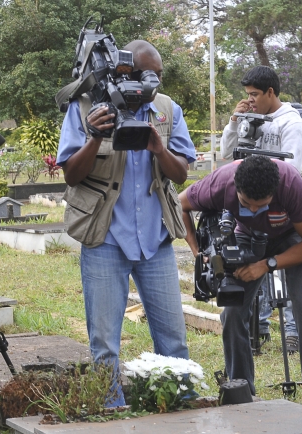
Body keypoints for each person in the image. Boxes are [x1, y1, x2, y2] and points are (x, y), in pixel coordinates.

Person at [57, 40, 195, 407]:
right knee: (104, 341)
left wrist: (159, 148)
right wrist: (95, 136)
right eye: (146, 74)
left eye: (158, 75)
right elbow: (72, 175)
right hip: (105, 238)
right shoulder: (85, 107)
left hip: (155, 240)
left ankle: (177, 403)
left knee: (173, 337)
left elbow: (180, 174)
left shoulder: (165, 109)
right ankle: (110, 406)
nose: (153, 83)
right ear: (121, 72)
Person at [180, 155, 302, 414]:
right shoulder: (221, 182)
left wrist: (266, 265)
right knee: (233, 309)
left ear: (274, 193)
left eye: (261, 205)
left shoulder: (291, 185)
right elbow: (180, 204)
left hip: (294, 238)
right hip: (246, 236)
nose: (253, 210)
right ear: (236, 190)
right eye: (246, 204)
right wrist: (199, 251)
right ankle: (241, 392)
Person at [221, 66, 302, 353]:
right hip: (250, 214)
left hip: (282, 213)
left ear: (271, 92)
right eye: (246, 95)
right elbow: (226, 152)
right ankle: (257, 328)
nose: (251, 101)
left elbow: (291, 172)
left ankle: (292, 332)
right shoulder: (249, 117)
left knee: (284, 271)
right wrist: (236, 120)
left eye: (255, 95)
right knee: (249, 268)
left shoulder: (291, 125)